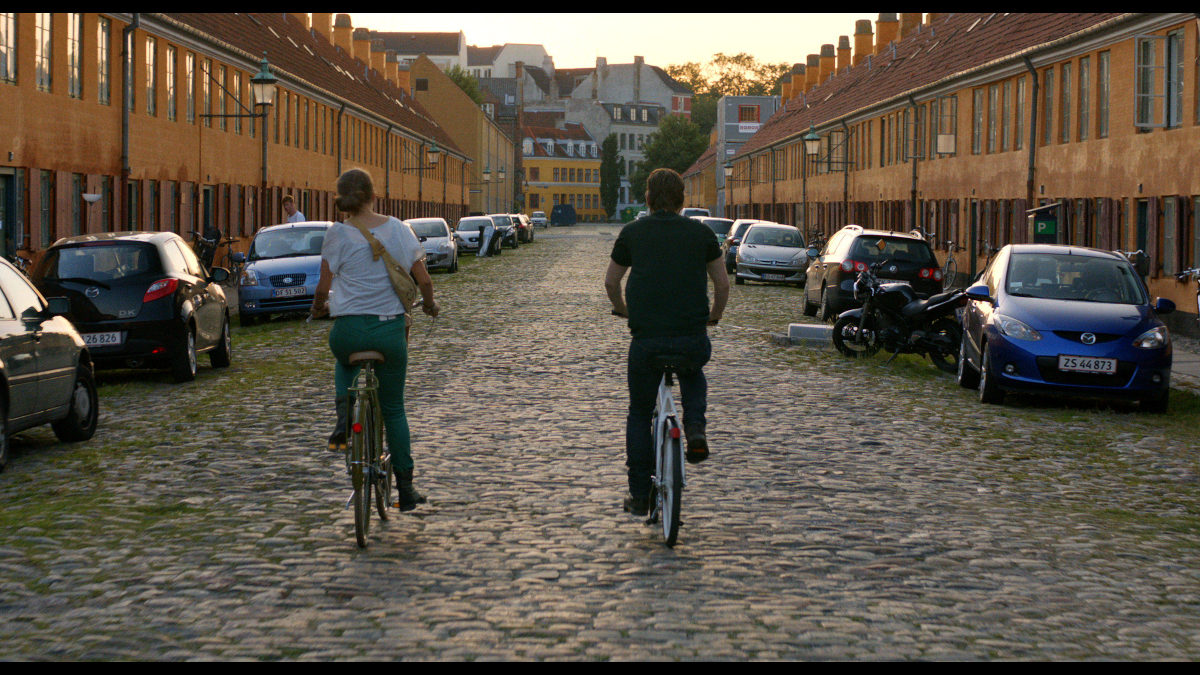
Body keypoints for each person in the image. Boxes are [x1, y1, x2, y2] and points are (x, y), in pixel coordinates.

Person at [310, 168, 440, 511]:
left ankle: (343, 417)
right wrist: (428, 305)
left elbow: (323, 288)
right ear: (374, 194)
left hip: (349, 330)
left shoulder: (336, 234)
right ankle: (407, 490)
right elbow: (423, 281)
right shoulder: (399, 229)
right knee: (394, 408)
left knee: (342, 359)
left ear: (342, 198)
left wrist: (318, 309)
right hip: (389, 331)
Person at [605, 168, 729, 516]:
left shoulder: (632, 233)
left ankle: (641, 494)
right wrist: (714, 317)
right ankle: (695, 429)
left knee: (640, 413)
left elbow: (611, 283)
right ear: (681, 200)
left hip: (646, 341)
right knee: (693, 371)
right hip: (691, 336)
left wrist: (624, 311)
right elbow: (721, 285)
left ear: (647, 198)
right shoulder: (701, 234)